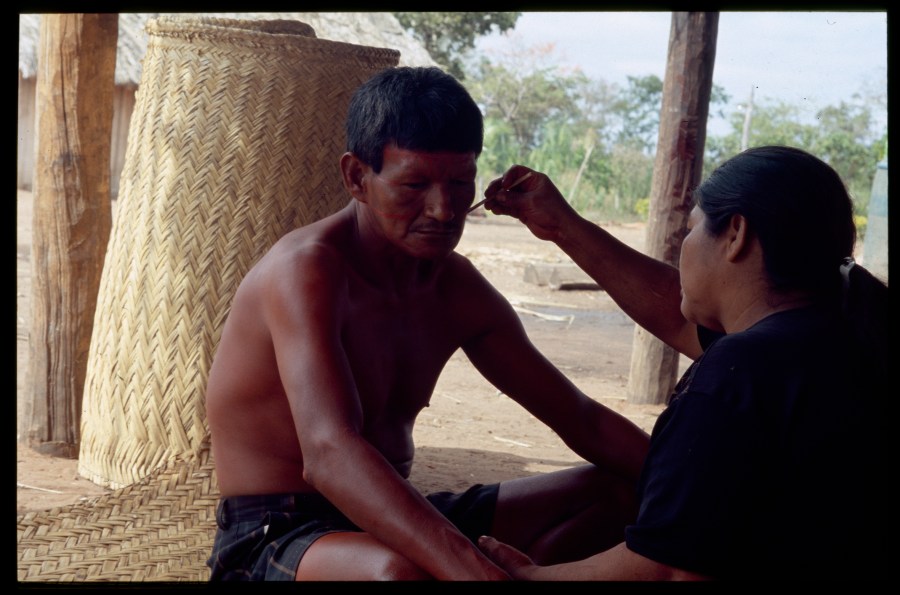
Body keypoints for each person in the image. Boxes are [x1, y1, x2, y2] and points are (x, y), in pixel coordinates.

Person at [203, 66, 650, 581]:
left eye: (460, 183)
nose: (442, 210)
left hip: (397, 512)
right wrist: (473, 573)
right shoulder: (307, 269)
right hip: (278, 531)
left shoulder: (453, 287)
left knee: (625, 491)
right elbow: (329, 453)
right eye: (413, 185)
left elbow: (581, 419)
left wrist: (710, 483)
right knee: (398, 574)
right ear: (356, 178)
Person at [476, 146, 889, 580]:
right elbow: (675, 315)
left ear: (736, 234)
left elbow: (668, 571)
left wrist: (530, 577)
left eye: (690, 229)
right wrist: (561, 225)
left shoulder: (740, 370)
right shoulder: (844, 337)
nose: (682, 248)